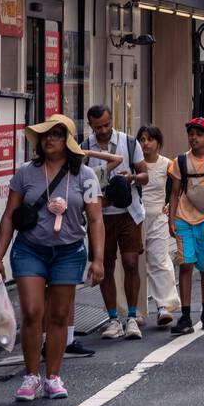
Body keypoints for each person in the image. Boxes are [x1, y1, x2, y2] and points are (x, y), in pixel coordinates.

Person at [0, 114, 106, 402]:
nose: (50, 139)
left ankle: (53, 376)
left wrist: (98, 259)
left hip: (68, 252)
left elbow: (95, 220)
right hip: (30, 249)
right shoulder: (25, 173)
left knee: (57, 315)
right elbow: (9, 216)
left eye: (57, 134)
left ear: (68, 142)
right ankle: (31, 376)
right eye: (46, 135)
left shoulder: (86, 176)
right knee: (32, 311)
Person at [83, 105, 150, 341]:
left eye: (106, 125)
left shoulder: (130, 142)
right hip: (99, 216)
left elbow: (145, 175)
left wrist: (130, 177)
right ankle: (113, 319)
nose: (102, 130)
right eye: (97, 126)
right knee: (105, 267)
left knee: (131, 262)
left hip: (129, 212)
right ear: (90, 125)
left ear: (113, 120)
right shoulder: (84, 148)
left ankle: (132, 316)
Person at [167, 118, 204, 335]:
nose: (193, 138)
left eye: (199, 134)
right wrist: (171, 219)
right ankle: (186, 315)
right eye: (191, 133)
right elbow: (174, 192)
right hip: (183, 217)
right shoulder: (180, 161)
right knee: (186, 264)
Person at [136, 126, 181, 327]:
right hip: (135, 216)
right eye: (142, 139)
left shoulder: (167, 165)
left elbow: (179, 188)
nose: (146, 143)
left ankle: (164, 305)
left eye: (150, 140)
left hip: (158, 217)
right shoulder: (134, 164)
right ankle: (137, 310)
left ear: (158, 144)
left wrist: (171, 206)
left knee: (159, 259)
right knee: (136, 263)